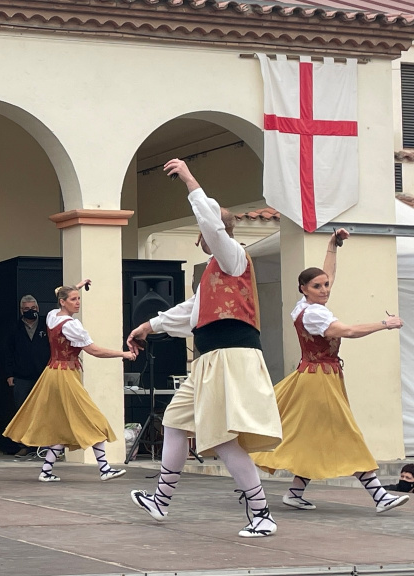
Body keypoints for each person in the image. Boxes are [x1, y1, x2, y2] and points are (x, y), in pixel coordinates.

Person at [127, 158, 283, 538]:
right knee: (175, 421)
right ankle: (162, 499)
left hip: (230, 356)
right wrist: (148, 326)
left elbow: (213, 225)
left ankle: (261, 513)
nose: (202, 232)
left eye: (205, 227)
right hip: (211, 359)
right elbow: (191, 312)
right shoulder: (215, 268)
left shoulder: (233, 257)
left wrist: (189, 179)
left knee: (221, 436)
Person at [251, 230, 409, 514]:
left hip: (317, 376)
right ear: (304, 289)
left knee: (315, 435)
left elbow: (328, 273)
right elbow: (346, 331)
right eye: (317, 286)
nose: (324, 289)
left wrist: (332, 245)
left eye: (325, 285)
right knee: (344, 431)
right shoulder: (314, 314)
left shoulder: (305, 306)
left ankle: (295, 492)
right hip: (319, 380)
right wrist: (385, 324)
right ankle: (379, 495)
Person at [4, 282, 134, 483]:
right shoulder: (71, 325)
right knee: (92, 417)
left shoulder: (52, 316)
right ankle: (105, 468)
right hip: (66, 374)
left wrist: (78, 286)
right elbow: (94, 350)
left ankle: (46, 470)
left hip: (52, 373)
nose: (78, 302)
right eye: (73, 299)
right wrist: (122, 354)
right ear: (63, 302)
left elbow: (58, 292)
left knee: (61, 422)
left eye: (79, 298)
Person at [3, 295, 50, 458]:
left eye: (33, 308)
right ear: (21, 310)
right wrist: (9, 374)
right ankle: (24, 445)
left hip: (44, 374)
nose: (30, 311)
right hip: (21, 376)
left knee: (44, 409)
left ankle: (44, 445)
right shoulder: (14, 327)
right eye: (26, 309)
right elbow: (7, 352)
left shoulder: (47, 325)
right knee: (22, 411)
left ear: (38, 308)